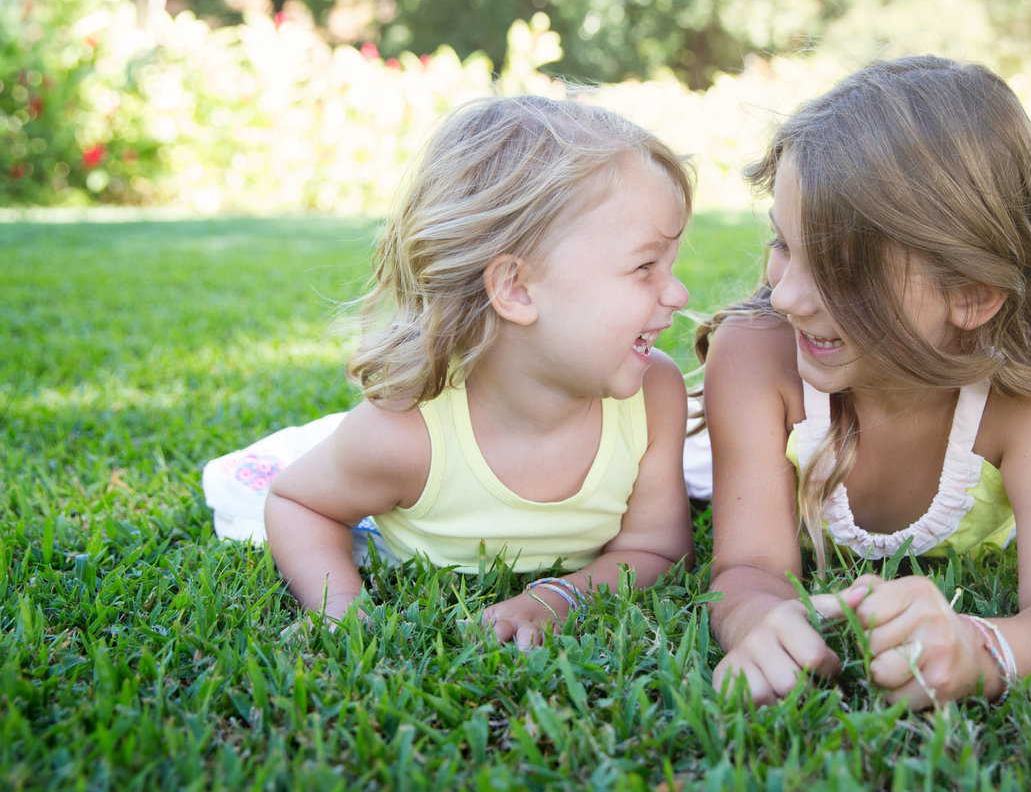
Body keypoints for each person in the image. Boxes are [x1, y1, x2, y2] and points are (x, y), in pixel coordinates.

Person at [697, 56, 1031, 708]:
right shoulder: (755, 357)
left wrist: (983, 650)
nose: (783, 296)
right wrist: (759, 620)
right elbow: (747, 566)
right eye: (783, 244)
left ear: (973, 294)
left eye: (837, 269)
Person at [202, 96, 695, 646]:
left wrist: (556, 597)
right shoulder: (402, 434)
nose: (678, 292)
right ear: (515, 288)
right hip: (394, 472)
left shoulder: (655, 396)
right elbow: (298, 503)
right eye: (645, 267)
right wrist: (341, 610)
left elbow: (656, 548)